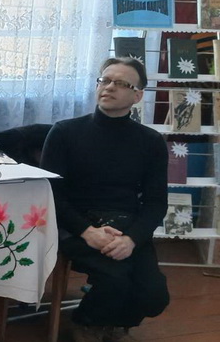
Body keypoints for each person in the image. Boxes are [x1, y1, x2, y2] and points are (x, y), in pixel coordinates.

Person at [41, 57, 169, 342]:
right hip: (75, 223)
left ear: (137, 96)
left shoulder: (151, 142)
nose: (109, 87)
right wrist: (87, 232)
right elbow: (51, 194)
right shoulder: (64, 132)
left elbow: (156, 202)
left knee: (154, 296)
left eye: (120, 83)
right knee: (116, 279)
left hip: (126, 227)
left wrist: (132, 239)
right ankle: (88, 324)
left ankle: (112, 320)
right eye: (105, 80)